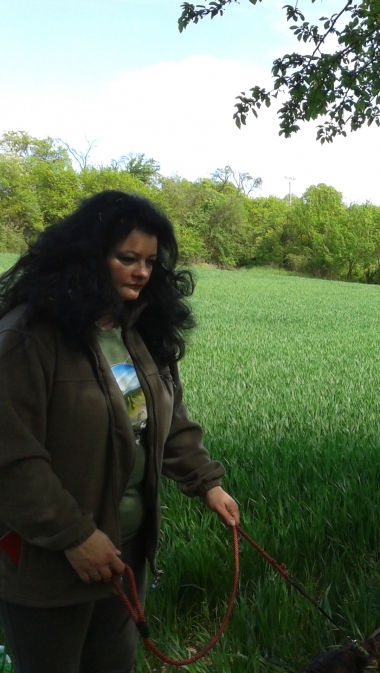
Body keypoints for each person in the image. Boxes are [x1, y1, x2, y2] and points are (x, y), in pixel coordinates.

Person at [0, 190, 240, 673]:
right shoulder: (28, 336)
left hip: (125, 554)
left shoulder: (139, 332)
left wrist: (206, 482)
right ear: (87, 258)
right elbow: (13, 457)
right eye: (127, 259)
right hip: (49, 562)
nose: (142, 272)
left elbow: (164, 422)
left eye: (150, 261)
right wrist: (74, 537)